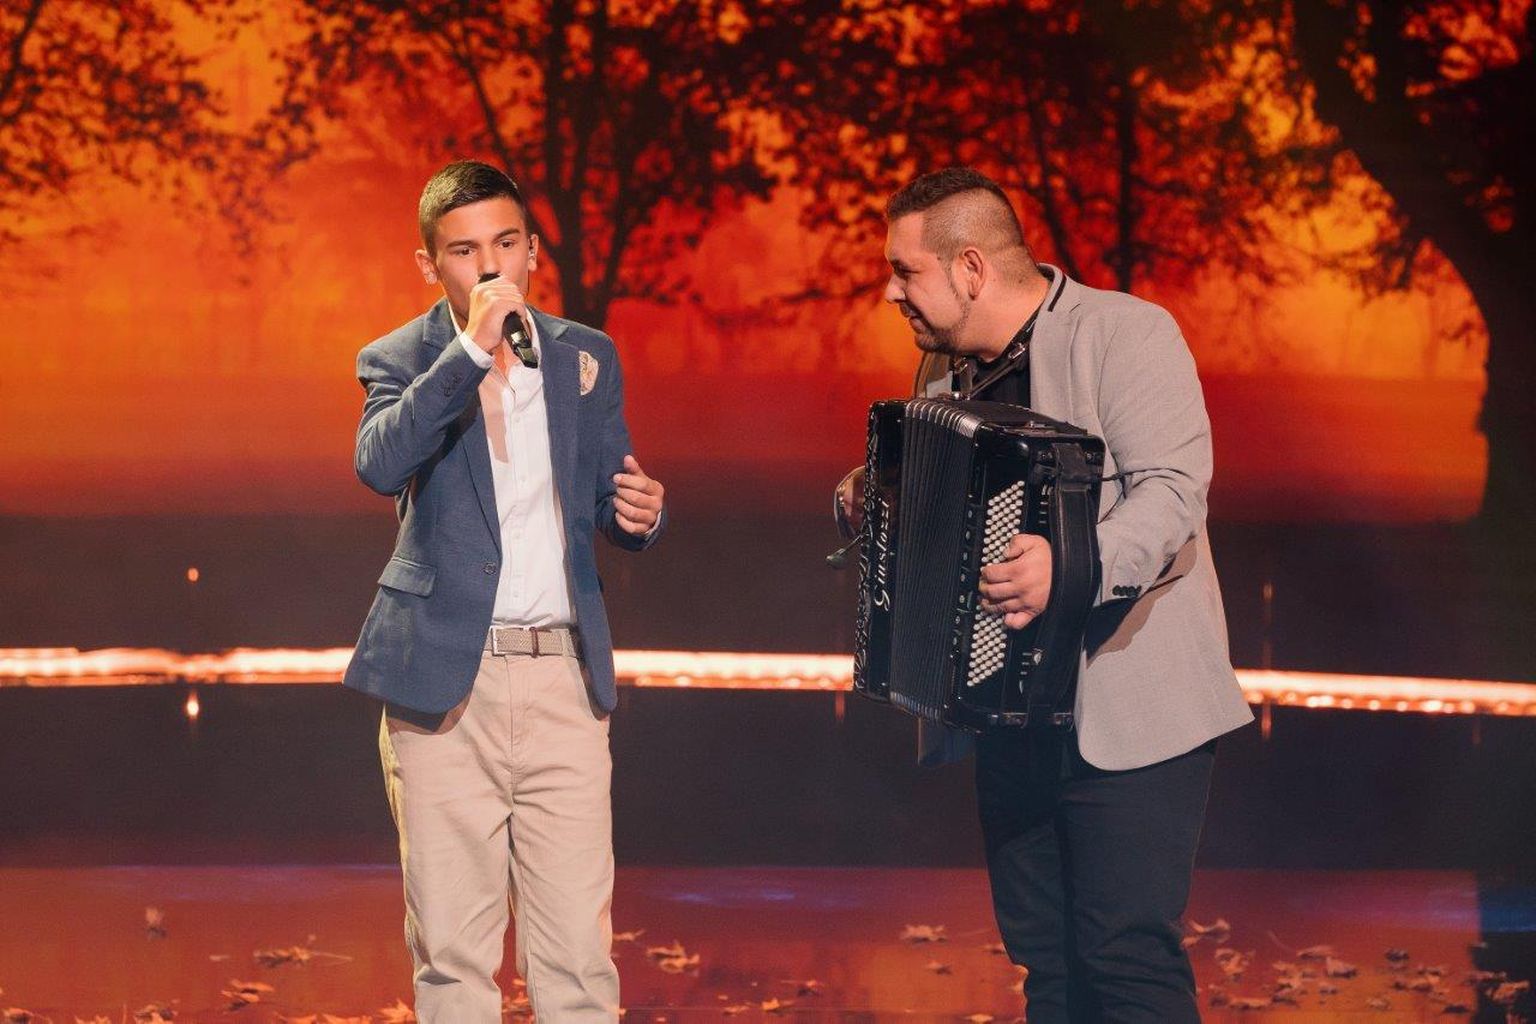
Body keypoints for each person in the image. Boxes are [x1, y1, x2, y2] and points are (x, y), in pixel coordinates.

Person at [862, 166, 1252, 1022]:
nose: (890, 292)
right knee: (1048, 965)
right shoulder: (944, 372)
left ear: (971, 268)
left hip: (1130, 710)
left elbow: (1172, 494)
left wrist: (1069, 564)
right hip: (1010, 718)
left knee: (1125, 959)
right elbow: (948, 506)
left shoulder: (1125, 333)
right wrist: (877, 493)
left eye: (905, 271)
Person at [343, 160, 665, 1022]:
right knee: (453, 960)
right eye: (464, 251)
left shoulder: (586, 357)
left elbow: (610, 493)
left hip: (563, 680)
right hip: (446, 684)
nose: (490, 266)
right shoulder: (401, 358)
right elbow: (380, 463)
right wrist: (468, 351)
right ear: (430, 264)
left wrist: (639, 512)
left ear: (532, 250)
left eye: (506, 243)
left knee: (578, 963)